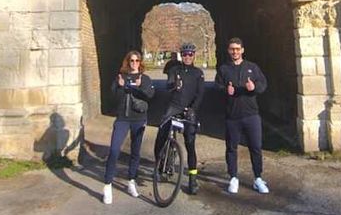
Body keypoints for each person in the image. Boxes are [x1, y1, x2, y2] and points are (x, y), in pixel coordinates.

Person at [215, 37, 269, 194]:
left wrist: (254, 87)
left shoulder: (252, 67)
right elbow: (217, 86)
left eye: (237, 49)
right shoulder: (224, 69)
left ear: (242, 50)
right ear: (228, 51)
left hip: (251, 114)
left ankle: (258, 178)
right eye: (232, 49)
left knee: (256, 147)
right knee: (231, 148)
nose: (235, 52)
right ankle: (233, 177)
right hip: (232, 115)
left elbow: (263, 85)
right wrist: (225, 90)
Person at [103, 50, 155, 205]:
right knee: (114, 150)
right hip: (122, 119)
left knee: (135, 152)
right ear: (127, 62)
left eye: (137, 60)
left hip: (138, 119)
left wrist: (139, 87)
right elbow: (113, 98)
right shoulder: (121, 77)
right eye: (131, 61)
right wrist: (119, 87)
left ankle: (131, 181)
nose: (134, 63)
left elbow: (150, 96)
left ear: (141, 62)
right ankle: (107, 185)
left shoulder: (144, 79)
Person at [155, 42, 205, 194]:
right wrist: (174, 85)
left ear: (194, 55)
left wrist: (193, 109)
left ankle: (192, 179)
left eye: (190, 54)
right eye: (184, 54)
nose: (187, 57)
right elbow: (168, 87)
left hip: (190, 108)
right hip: (175, 106)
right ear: (181, 56)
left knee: (190, 143)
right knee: (162, 132)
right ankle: (160, 163)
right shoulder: (175, 70)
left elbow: (200, 94)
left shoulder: (198, 73)